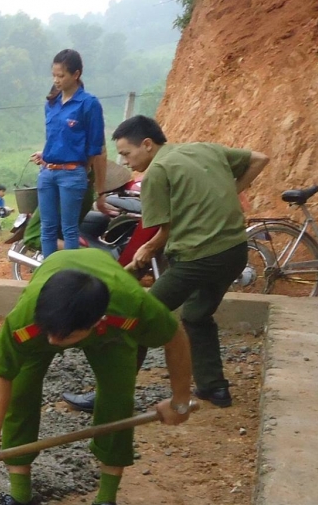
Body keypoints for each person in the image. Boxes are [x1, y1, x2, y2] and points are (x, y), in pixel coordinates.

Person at [0, 249, 194, 505]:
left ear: (95, 322)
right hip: (56, 306)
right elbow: (1, 375)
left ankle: (105, 504)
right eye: (50, 334)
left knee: (117, 401)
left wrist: (180, 402)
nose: (53, 343)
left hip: (109, 331)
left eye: (64, 338)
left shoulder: (131, 306)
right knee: (21, 394)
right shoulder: (27, 319)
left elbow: (174, 337)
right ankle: (20, 501)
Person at [62, 116, 269, 413]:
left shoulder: (157, 171)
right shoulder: (204, 149)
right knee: (197, 314)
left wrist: (146, 250)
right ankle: (215, 387)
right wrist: (230, 191)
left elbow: (164, 229)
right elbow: (260, 158)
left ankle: (110, 396)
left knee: (139, 316)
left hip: (199, 256)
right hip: (235, 252)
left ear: (147, 144)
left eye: (127, 153)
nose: (125, 160)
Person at [31, 49, 107, 258]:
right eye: (54, 75)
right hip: (47, 173)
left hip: (72, 174)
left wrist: (82, 168)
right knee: (47, 227)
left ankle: (69, 276)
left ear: (76, 74)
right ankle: (48, 270)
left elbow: (95, 145)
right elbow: (55, 138)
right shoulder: (51, 103)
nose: (56, 80)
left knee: (69, 229)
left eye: (61, 76)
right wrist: (45, 154)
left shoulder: (89, 104)